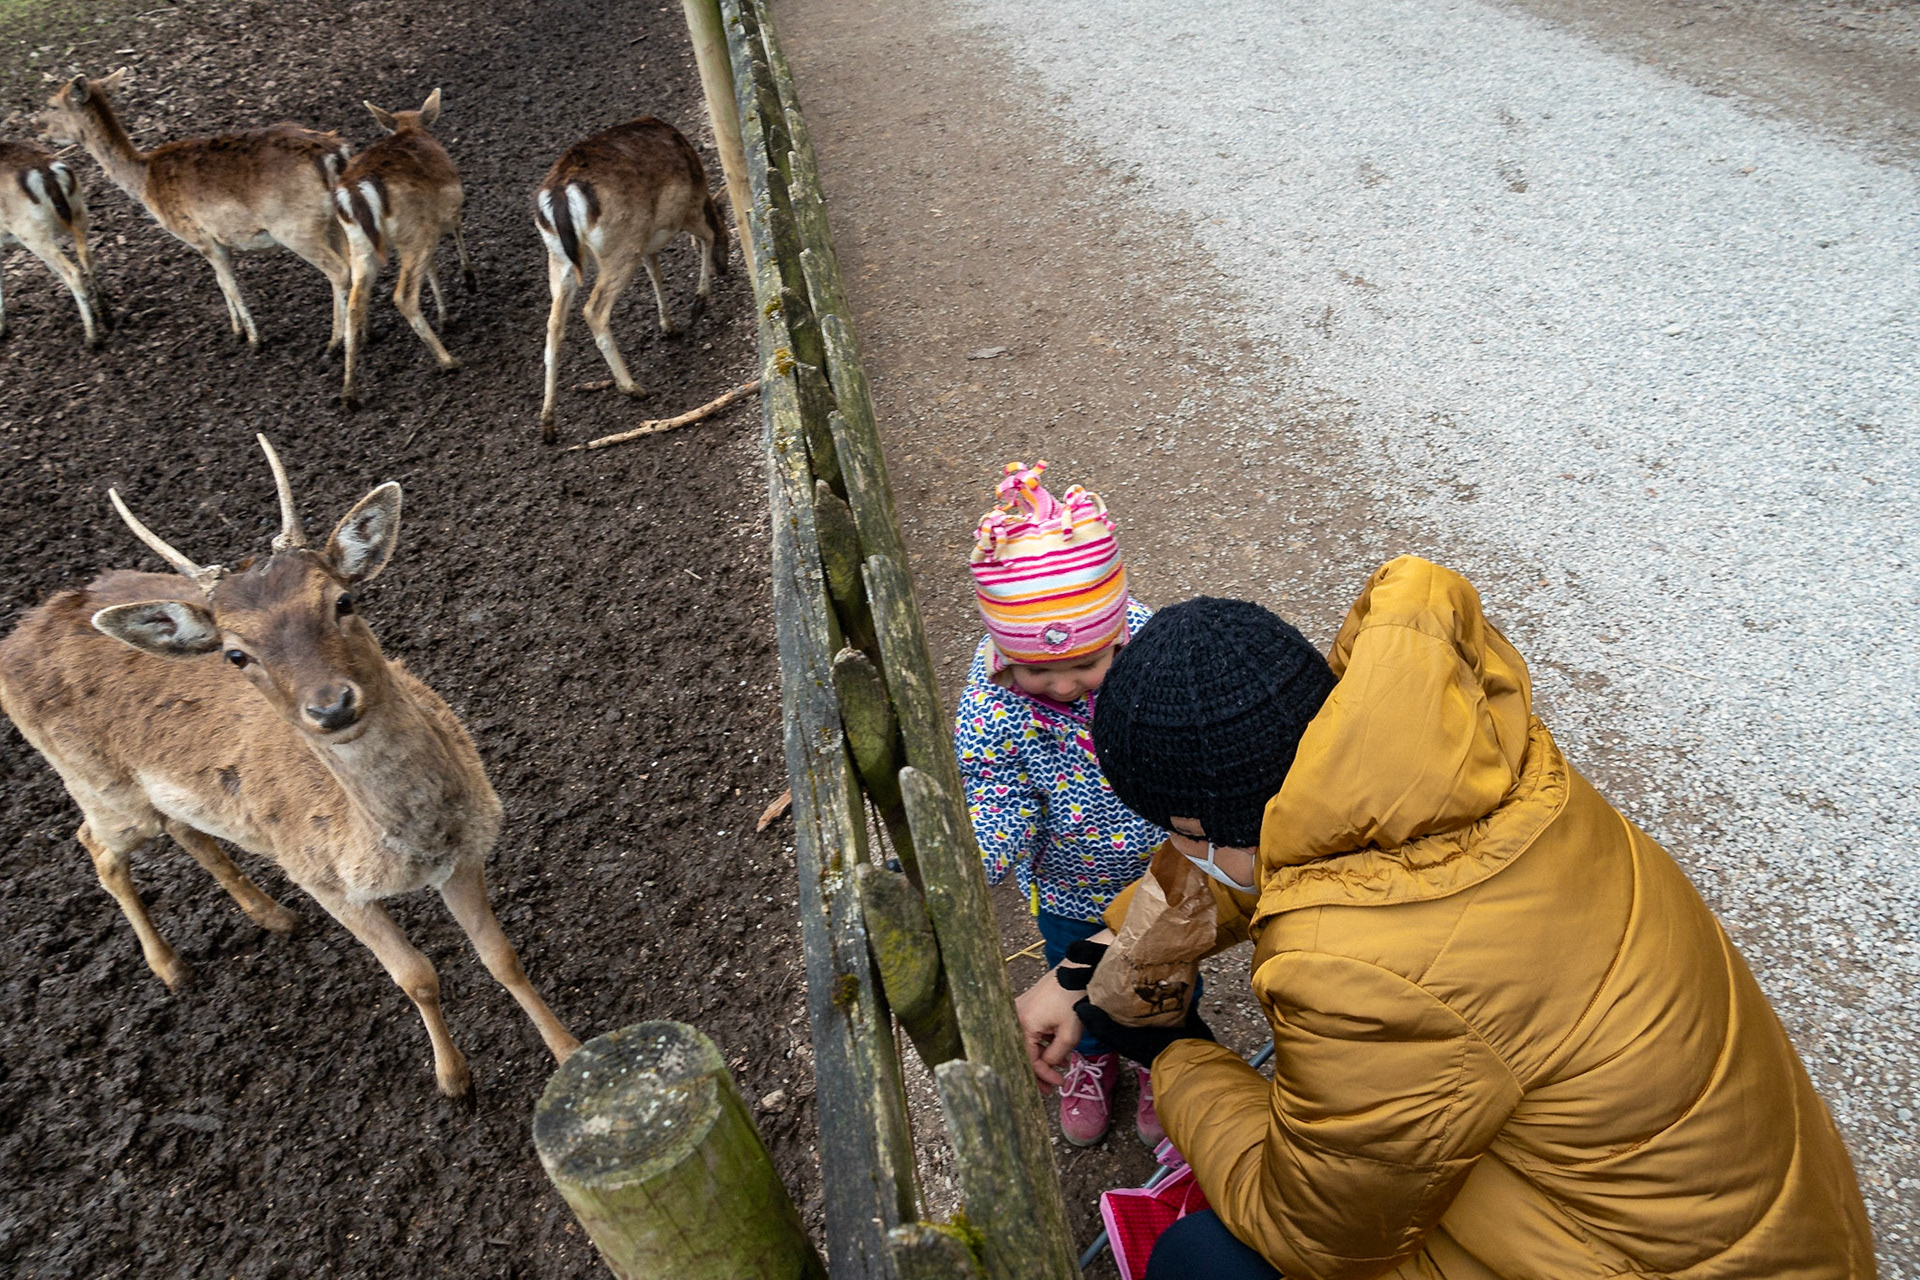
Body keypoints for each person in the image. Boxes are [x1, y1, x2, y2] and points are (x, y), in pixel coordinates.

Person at [1018, 556, 1875, 1278]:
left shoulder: (1356, 970)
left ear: (1206, 825)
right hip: (1757, 1227)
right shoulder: (1464, 771)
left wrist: (1175, 1056)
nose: (1178, 851)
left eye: (1177, 834)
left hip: (1653, 1260)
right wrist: (1088, 962)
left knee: (1200, 1260)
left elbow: (1315, 1233)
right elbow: (1273, 848)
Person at [955, 460, 1166, 1147]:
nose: (1066, 686)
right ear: (1005, 654)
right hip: (1068, 884)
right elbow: (996, 794)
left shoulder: (1151, 658)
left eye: (1085, 666)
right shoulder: (995, 707)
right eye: (1039, 671)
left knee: (1161, 978)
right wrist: (979, 859)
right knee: (1076, 973)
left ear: (1116, 636)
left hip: (1165, 878)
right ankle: (1094, 1056)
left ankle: (1160, 1059)